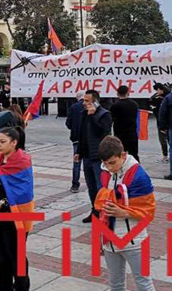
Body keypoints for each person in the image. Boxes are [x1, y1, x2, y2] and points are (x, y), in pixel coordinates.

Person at [95, 136, 156, 291]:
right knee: (116, 284)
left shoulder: (139, 176)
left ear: (123, 155)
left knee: (144, 283)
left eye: (112, 163)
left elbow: (149, 211)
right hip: (110, 240)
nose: (109, 167)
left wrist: (124, 212)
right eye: (105, 163)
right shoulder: (105, 172)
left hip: (134, 241)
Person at [0, 128, 35, 291]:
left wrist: (3, 202)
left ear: (14, 143)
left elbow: (24, 193)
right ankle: (4, 287)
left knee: (16, 256)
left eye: (2, 141)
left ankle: (21, 287)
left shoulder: (22, 161)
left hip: (16, 215)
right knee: (2, 253)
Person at [74, 90, 113, 223]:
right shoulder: (84, 114)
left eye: (87, 101)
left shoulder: (104, 114)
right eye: (84, 100)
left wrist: (92, 116)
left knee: (100, 187)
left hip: (98, 157)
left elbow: (103, 133)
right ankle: (95, 211)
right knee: (91, 187)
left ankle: (103, 213)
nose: (84, 103)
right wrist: (78, 152)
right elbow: (82, 135)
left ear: (95, 101)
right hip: (87, 156)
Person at [109, 85, 140, 161]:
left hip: (119, 134)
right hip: (132, 133)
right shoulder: (134, 104)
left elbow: (111, 119)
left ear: (117, 94)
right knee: (134, 154)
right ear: (128, 93)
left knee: (120, 154)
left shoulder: (114, 106)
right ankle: (135, 170)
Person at [65, 91, 84, 193]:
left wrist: (73, 127)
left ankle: (75, 185)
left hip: (76, 138)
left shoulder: (73, 107)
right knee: (89, 162)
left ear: (77, 98)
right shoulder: (90, 106)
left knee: (76, 162)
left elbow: (68, 123)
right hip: (88, 138)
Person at [150, 83, 170, 164]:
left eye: (157, 89)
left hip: (166, 121)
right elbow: (151, 100)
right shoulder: (157, 97)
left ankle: (168, 156)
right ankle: (165, 155)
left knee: (167, 140)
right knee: (162, 140)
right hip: (160, 121)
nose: (157, 91)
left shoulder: (167, 97)